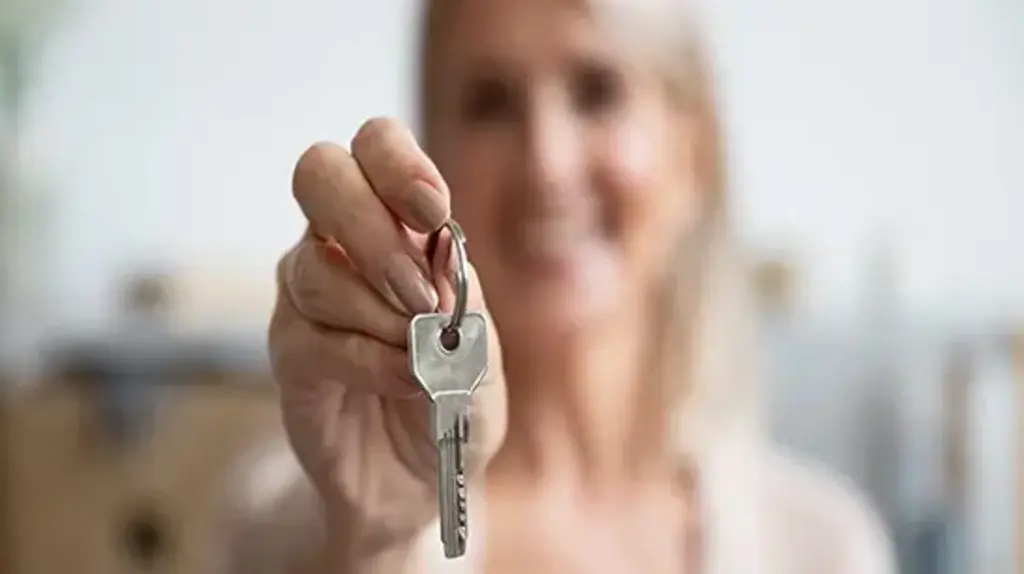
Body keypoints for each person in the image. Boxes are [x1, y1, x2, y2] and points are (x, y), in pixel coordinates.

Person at [252, 0, 896, 572]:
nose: (547, 164)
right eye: (491, 102)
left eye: (598, 91)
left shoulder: (824, 547)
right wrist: (374, 549)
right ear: (435, 153)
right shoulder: (291, 530)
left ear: (692, 151)